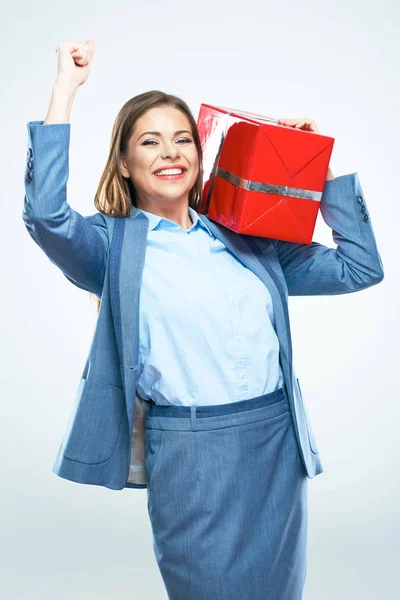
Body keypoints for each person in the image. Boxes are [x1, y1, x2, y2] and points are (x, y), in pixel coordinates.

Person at [22, 40, 384, 600]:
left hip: (274, 447)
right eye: (150, 141)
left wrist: (318, 164)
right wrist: (65, 90)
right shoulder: (110, 246)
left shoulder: (248, 237)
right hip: (190, 454)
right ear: (124, 161)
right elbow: (45, 216)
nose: (170, 153)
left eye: (183, 139)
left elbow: (361, 267)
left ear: (199, 152)